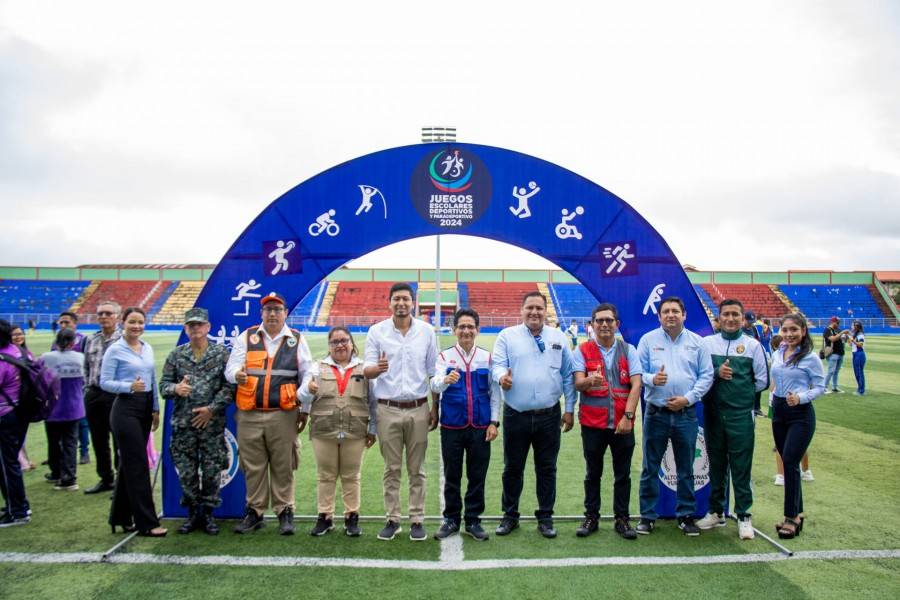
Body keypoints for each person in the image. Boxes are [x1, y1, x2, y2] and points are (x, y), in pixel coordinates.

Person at [226, 292, 312, 536]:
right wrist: (236, 375)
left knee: (283, 464)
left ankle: (285, 511)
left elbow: (307, 375)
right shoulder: (248, 336)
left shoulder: (296, 339)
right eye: (268, 310)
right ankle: (255, 511)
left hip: (283, 414)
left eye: (277, 309)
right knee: (253, 466)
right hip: (249, 414)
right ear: (261, 313)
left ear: (285, 313)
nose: (272, 314)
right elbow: (231, 367)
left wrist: (304, 407)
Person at [492, 291, 576, 539]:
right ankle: (510, 515)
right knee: (512, 468)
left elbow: (569, 375)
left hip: (549, 415)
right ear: (522, 310)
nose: (534, 312)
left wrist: (570, 409)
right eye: (530, 308)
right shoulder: (507, 336)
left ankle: (546, 517)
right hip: (516, 414)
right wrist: (501, 377)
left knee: (547, 468)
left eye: (539, 308)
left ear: (545, 311)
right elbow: (497, 364)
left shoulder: (558, 337)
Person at [364, 282, 438, 542]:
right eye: (396, 299)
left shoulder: (427, 332)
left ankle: (417, 519)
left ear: (413, 302)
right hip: (388, 408)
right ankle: (393, 519)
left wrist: (434, 407)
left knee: (417, 469)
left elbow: (433, 372)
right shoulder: (377, 332)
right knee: (391, 468)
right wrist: (378, 368)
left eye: (406, 299)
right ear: (389, 302)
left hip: (418, 407)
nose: (401, 303)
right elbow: (367, 370)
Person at [636, 296, 713, 536]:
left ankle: (685, 515)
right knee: (650, 467)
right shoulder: (648, 340)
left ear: (684, 315)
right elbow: (638, 372)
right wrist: (652, 379)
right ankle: (647, 516)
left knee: (686, 468)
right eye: (666, 311)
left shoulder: (697, 343)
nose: (670, 315)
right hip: (656, 413)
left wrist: (687, 399)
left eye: (675, 311)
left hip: (686, 414)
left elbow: (706, 376)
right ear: (659, 316)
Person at [697, 299, 768, 540]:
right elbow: (699, 375)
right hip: (713, 413)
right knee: (716, 463)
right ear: (718, 317)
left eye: (735, 314)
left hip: (740, 414)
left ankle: (744, 514)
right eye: (725, 314)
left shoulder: (752, 346)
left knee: (741, 465)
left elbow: (762, 381)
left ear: (742, 318)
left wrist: (740, 391)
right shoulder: (706, 344)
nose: (730, 318)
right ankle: (716, 511)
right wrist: (717, 374)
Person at [570, 303, 641, 540]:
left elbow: (636, 385)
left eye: (609, 320)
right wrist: (589, 381)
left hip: (622, 424)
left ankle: (622, 519)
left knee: (623, 474)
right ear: (592, 325)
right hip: (593, 424)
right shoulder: (582, 351)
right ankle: (591, 517)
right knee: (593, 473)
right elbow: (577, 383)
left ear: (616, 324)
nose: (604, 324)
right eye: (599, 320)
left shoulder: (629, 350)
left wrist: (628, 417)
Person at [160, 308, 234, 535]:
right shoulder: (176, 355)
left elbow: (230, 386)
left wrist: (211, 409)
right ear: (186, 329)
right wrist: (176, 388)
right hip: (184, 424)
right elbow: (163, 386)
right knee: (187, 471)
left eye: (199, 325)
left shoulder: (222, 354)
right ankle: (193, 513)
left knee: (212, 470)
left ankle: (209, 514)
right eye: (191, 325)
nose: (196, 329)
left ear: (208, 327)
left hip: (211, 424)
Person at [430, 308, 500, 541]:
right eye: (462, 327)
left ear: (477, 330)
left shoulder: (486, 357)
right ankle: (451, 519)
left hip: (480, 426)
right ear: (455, 330)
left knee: (477, 475)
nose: (466, 331)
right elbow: (434, 385)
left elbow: (494, 393)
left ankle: (473, 519)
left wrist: (494, 422)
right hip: (452, 426)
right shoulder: (445, 357)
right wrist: (445, 380)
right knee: (452, 475)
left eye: (471, 327)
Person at [300, 327, 376, 537]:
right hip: (324, 429)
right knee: (326, 475)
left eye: (344, 340)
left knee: (351, 475)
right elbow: (302, 398)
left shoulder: (365, 369)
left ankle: (352, 517)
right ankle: (325, 516)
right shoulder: (317, 367)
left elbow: (373, 401)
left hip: (355, 429)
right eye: (335, 342)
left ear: (352, 343)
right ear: (329, 345)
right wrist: (308, 390)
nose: (340, 345)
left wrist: (373, 428)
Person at [99, 307, 166, 537]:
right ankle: (147, 523)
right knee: (137, 465)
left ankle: (119, 516)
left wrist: (155, 408)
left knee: (129, 465)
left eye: (140, 322)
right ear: (123, 323)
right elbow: (104, 381)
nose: (136, 326)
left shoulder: (146, 347)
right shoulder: (115, 349)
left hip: (145, 406)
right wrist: (128, 386)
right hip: (125, 408)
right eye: (132, 322)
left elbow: (152, 378)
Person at [770, 313, 824, 539]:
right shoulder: (777, 353)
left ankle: (791, 517)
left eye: (794, 330)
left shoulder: (810, 357)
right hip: (779, 410)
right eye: (785, 330)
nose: (789, 334)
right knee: (787, 460)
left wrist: (801, 398)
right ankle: (796, 514)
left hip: (800, 413)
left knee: (791, 461)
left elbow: (820, 386)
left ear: (803, 331)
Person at [82, 301, 123, 494]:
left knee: (118, 440)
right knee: (98, 439)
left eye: (108, 313)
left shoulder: (124, 339)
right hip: (94, 393)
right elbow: (86, 367)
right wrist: (87, 388)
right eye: (100, 314)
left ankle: (120, 482)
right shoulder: (91, 339)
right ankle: (105, 478)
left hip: (115, 395)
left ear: (117, 316)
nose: (104, 317)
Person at [41, 329, 86, 491]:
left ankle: (56, 472)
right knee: (70, 443)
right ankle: (70, 477)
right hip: (74, 407)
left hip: (52, 407)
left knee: (53, 442)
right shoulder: (81, 357)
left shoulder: (47, 357)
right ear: (73, 343)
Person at [0, 319, 32, 527]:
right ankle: (17, 505)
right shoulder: (19, 352)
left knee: (7, 463)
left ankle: (18, 511)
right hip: (20, 411)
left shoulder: (3, 359)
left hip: (5, 414)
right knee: (8, 461)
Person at [53, 312, 90, 466]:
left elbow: (87, 363)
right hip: (60, 389)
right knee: (60, 423)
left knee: (81, 421)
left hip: (78, 387)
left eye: (66, 322)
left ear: (75, 323)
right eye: (61, 322)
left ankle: (84, 452)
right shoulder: (57, 341)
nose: (63, 325)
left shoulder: (83, 340)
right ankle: (59, 454)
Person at [10, 326, 36, 473]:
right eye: (14, 335)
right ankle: (21, 462)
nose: (18, 337)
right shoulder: (10, 355)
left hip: (25, 400)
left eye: (20, 334)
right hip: (13, 400)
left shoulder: (27, 353)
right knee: (15, 434)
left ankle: (23, 460)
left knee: (20, 434)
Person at [823, 316, 849, 393]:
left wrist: (846, 337)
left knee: (836, 371)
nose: (838, 324)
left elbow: (844, 340)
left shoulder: (838, 329)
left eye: (838, 322)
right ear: (833, 322)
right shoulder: (827, 330)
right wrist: (842, 333)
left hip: (840, 353)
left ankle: (835, 387)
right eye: (837, 322)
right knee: (831, 371)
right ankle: (824, 387)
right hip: (833, 353)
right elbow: (833, 339)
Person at [849, 321, 866, 395]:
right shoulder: (855, 334)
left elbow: (860, 345)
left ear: (856, 327)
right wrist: (849, 339)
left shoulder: (860, 335)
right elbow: (850, 344)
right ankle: (860, 389)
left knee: (859, 373)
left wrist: (852, 340)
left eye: (853, 326)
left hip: (859, 354)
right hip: (856, 354)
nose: (852, 327)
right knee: (858, 373)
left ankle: (861, 390)